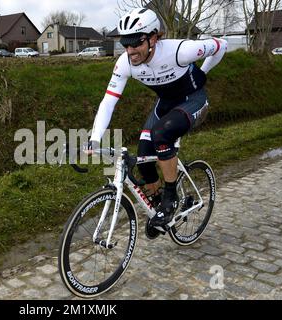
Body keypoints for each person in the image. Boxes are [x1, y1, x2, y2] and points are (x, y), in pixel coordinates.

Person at [85, 8, 227, 230]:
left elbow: (221, 46)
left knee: (161, 134)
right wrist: (94, 138)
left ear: (153, 38)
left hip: (193, 100)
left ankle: (170, 199)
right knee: (144, 155)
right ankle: (159, 206)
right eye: (126, 44)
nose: (130, 50)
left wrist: (204, 72)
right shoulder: (126, 63)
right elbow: (108, 101)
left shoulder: (181, 50)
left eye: (136, 43)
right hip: (167, 103)